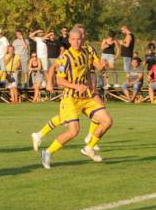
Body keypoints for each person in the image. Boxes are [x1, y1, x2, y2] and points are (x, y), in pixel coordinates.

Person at [32, 25, 112, 167]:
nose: (76, 42)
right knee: (74, 131)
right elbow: (59, 80)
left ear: (83, 39)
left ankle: (89, 148)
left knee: (107, 121)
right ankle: (48, 152)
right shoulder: (66, 57)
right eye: (73, 39)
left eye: (79, 39)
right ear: (69, 40)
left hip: (86, 97)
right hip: (70, 98)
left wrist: (94, 81)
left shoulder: (86, 52)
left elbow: (89, 70)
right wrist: (76, 86)